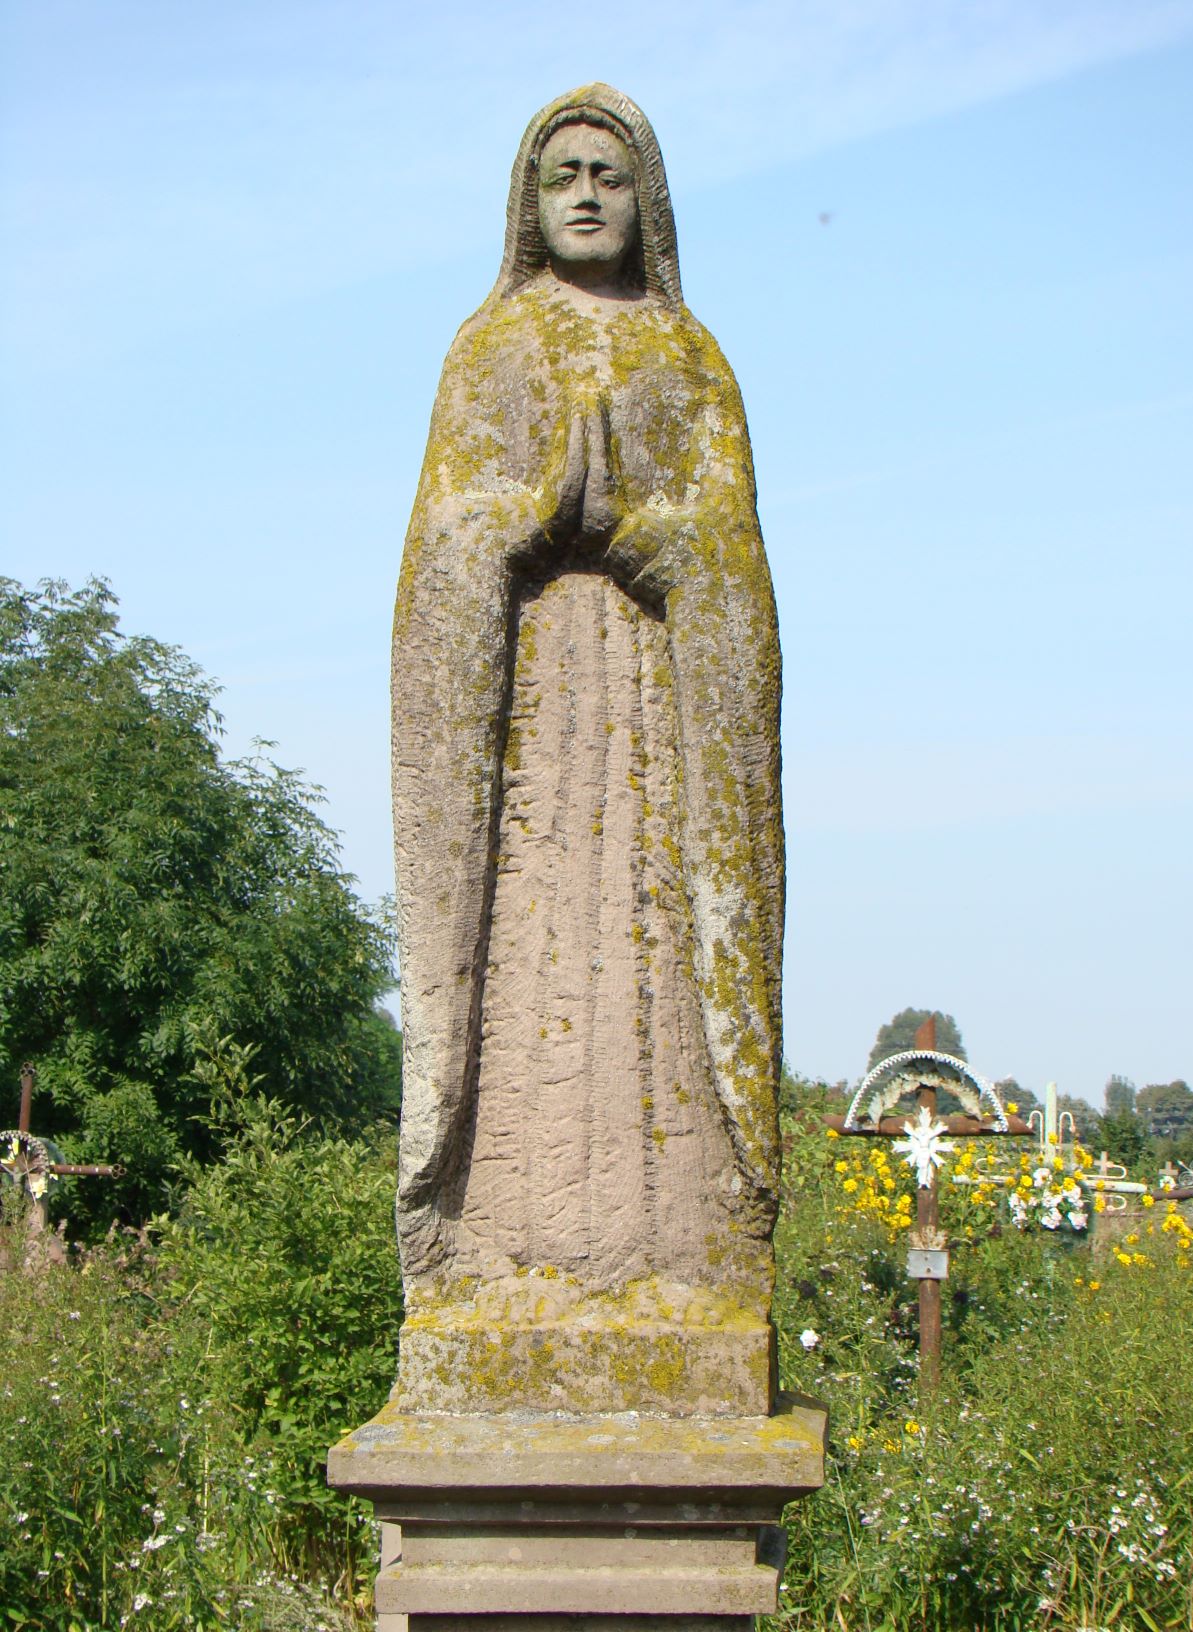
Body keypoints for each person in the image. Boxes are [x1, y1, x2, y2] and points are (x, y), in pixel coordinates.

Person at [392, 85, 783, 1308]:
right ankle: (496, 1250)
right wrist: (513, 524)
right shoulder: (489, 350)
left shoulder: (690, 358)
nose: (585, 195)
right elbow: (438, 555)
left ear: (647, 199)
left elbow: (737, 561)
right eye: (560, 174)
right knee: (526, 960)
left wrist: (662, 542)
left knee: (653, 953)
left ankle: (681, 1257)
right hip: (521, 729)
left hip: (662, 727)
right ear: (525, 200)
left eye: (608, 175)